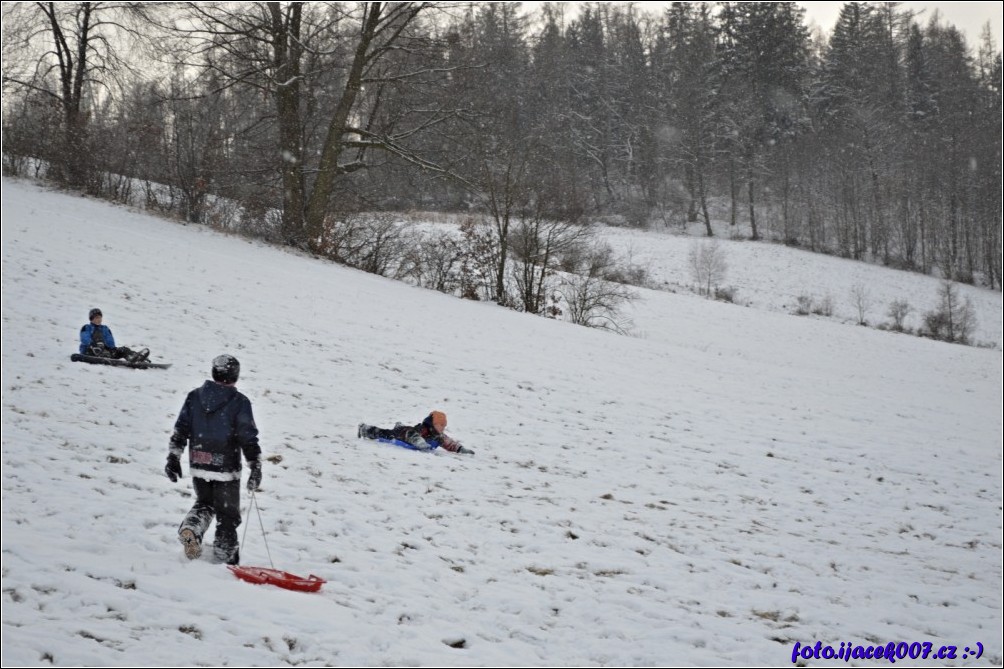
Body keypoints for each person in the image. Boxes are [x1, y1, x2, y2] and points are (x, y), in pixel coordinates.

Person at [165, 354, 262, 565]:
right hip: (226, 468)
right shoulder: (239, 402)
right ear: (235, 376)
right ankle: (224, 558)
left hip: (199, 463)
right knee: (227, 515)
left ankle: (193, 527)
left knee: (205, 503)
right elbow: (248, 437)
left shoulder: (194, 397)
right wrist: (255, 465)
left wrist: (174, 457)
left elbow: (181, 429)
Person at [358, 411, 474, 455]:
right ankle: (365, 429)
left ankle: (399, 424)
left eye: (444, 426)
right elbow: (411, 434)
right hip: (401, 434)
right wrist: (419, 441)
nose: (443, 428)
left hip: (407, 431)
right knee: (383, 433)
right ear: (433, 424)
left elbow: (448, 443)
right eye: (441, 425)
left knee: (442, 438)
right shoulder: (423, 429)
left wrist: (460, 449)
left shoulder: (438, 435)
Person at [79, 308, 148, 362]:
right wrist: (92, 344)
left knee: (123, 349)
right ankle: (102, 354)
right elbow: (85, 337)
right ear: (91, 319)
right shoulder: (87, 327)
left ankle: (135, 358)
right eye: (97, 317)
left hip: (105, 351)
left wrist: (112, 348)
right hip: (90, 350)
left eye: (100, 317)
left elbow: (109, 340)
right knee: (98, 345)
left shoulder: (105, 328)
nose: (99, 319)